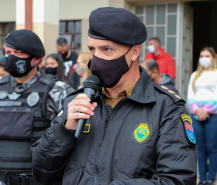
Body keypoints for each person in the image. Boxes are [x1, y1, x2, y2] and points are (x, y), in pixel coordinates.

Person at [31, 7, 197, 185]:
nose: (96, 59)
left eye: (107, 50)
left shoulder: (166, 109)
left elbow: (178, 179)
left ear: (134, 52)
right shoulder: (77, 102)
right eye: (93, 50)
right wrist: (64, 131)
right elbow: (41, 173)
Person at [0, 29, 74, 185]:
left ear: (36, 59)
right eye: (8, 52)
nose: (11, 57)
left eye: (18, 53)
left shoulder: (57, 91)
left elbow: (73, 140)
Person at [187, 47, 217, 185]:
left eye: (207, 55)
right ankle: (202, 179)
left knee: (212, 148)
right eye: (202, 55)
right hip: (196, 114)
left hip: (213, 115)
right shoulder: (194, 75)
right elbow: (190, 94)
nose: (204, 58)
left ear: (214, 58)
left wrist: (206, 110)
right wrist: (197, 109)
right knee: (200, 147)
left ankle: (211, 178)